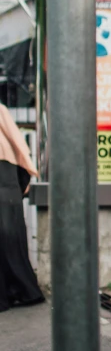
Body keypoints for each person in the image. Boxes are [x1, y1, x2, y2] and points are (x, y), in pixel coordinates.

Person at [0, 102, 44, 312]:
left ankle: (12, 293)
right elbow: (16, 139)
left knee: (8, 236)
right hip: (7, 176)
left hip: (5, 175)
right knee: (11, 236)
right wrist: (26, 166)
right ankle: (22, 290)